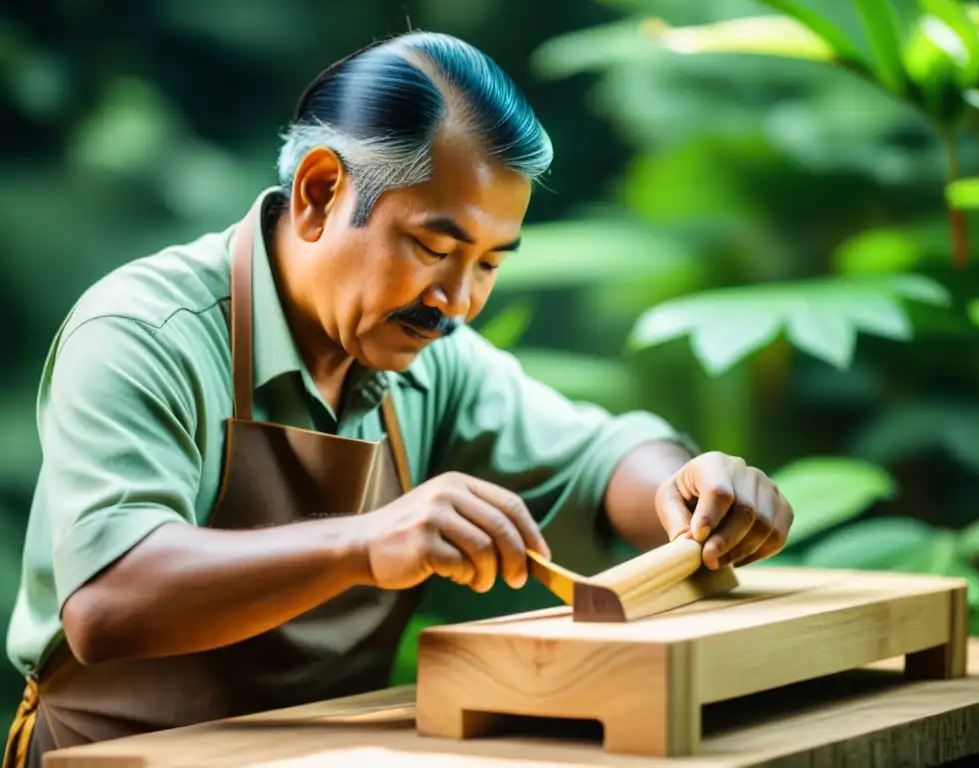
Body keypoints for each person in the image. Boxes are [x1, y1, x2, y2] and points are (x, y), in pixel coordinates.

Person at [3, 31, 794, 768]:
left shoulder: (433, 362)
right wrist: (366, 543)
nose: (458, 300)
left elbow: (602, 456)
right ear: (318, 193)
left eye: (488, 263)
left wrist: (686, 491)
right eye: (434, 247)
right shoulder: (145, 333)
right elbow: (109, 601)